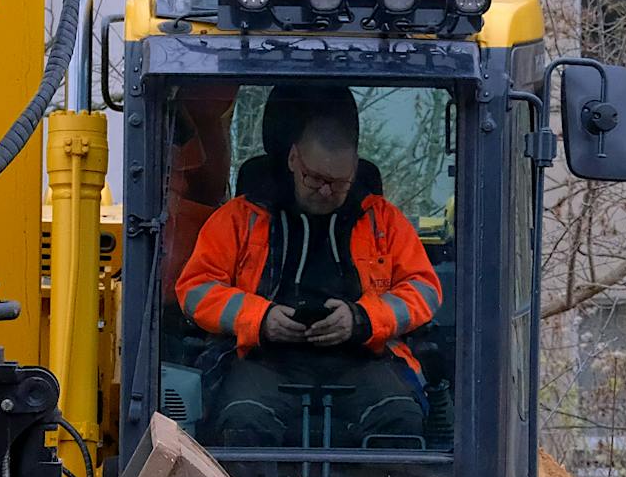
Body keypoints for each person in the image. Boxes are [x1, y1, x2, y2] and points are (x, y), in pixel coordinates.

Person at [175, 106, 443, 449]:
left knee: (399, 419)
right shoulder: (240, 218)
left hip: (363, 357)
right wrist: (260, 318)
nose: (327, 192)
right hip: (262, 358)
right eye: (315, 179)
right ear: (292, 160)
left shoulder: (383, 221)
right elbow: (195, 288)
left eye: (340, 183)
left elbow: (424, 289)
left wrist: (362, 319)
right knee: (242, 421)